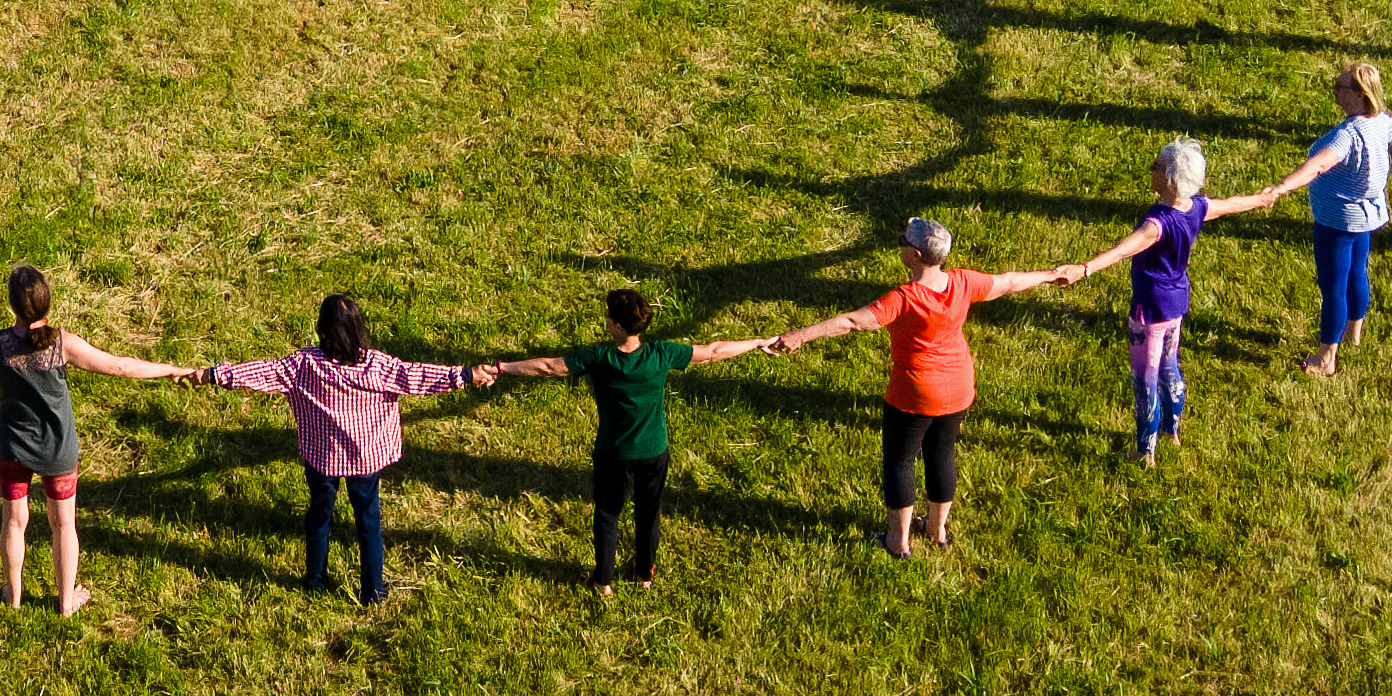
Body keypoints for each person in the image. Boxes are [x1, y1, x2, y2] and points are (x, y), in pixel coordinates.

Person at [0, 266, 195, 614]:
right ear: (48, 303)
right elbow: (121, 367)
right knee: (63, 524)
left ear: (12, 307)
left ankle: (14, 596)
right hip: (58, 451)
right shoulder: (64, 344)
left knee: (14, 522)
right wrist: (171, 370)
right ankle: (66, 603)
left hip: (13, 449)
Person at [772, 216, 1074, 558]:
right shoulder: (962, 282)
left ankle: (898, 543)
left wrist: (800, 335)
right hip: (959, 387)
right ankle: (936, 530)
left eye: (904, 241)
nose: (900, 243)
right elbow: (1008, 282)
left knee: (900, 461)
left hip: (915, 393)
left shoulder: (904, 298)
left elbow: (853, 322)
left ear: (915, 256)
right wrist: (1050, 275)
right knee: (941, 454)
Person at [475, 288, 777, 589]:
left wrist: (502, 368)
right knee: (648, 512)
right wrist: (757, 342)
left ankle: (603, 581)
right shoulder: (661, 353)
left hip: (613, 453)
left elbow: (549, 367)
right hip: (654, 451)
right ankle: (644, 574)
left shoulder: (601, 358)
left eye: (608, 315)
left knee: (607, 513)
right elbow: (713, 351)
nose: (605, 318)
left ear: (619, 326)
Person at [204, 294, 488, 604]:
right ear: (358, 328)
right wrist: (465, 375)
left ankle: (315, 581)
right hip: (366, 459)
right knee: (368, 522)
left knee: (319, 516)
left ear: (321, 328)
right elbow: (418, 375)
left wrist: (213, 374)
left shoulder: (302, 365)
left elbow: (257, 373)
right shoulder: (378, 366)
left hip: (322, 458)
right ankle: (373, 592)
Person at [1054, 138, 1278, 463]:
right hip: (1176, 303)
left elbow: (1121, 251)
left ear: (1170, 179)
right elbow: (1230, 204)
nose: (1151, 168)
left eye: (1156, 165)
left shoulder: (1156, 224)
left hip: (1149, 310)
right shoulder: (1196, 207)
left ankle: (1146, 451)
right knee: (1170, 368)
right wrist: (1260, 199)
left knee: (1145, 380)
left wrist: (1082, 270)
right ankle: (1172, 430)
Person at [1214, 64, 1392, 376]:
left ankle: (1326, 358)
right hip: (1366, 218)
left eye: (1340, 88)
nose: (1334, 92)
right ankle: (1355, 331)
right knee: (1358, 273)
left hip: (1337, 222)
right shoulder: (1380, 122)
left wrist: (1281, 187)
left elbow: (1317, 165)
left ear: (1358, 95)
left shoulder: (1348, 136)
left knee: (1333, 288)